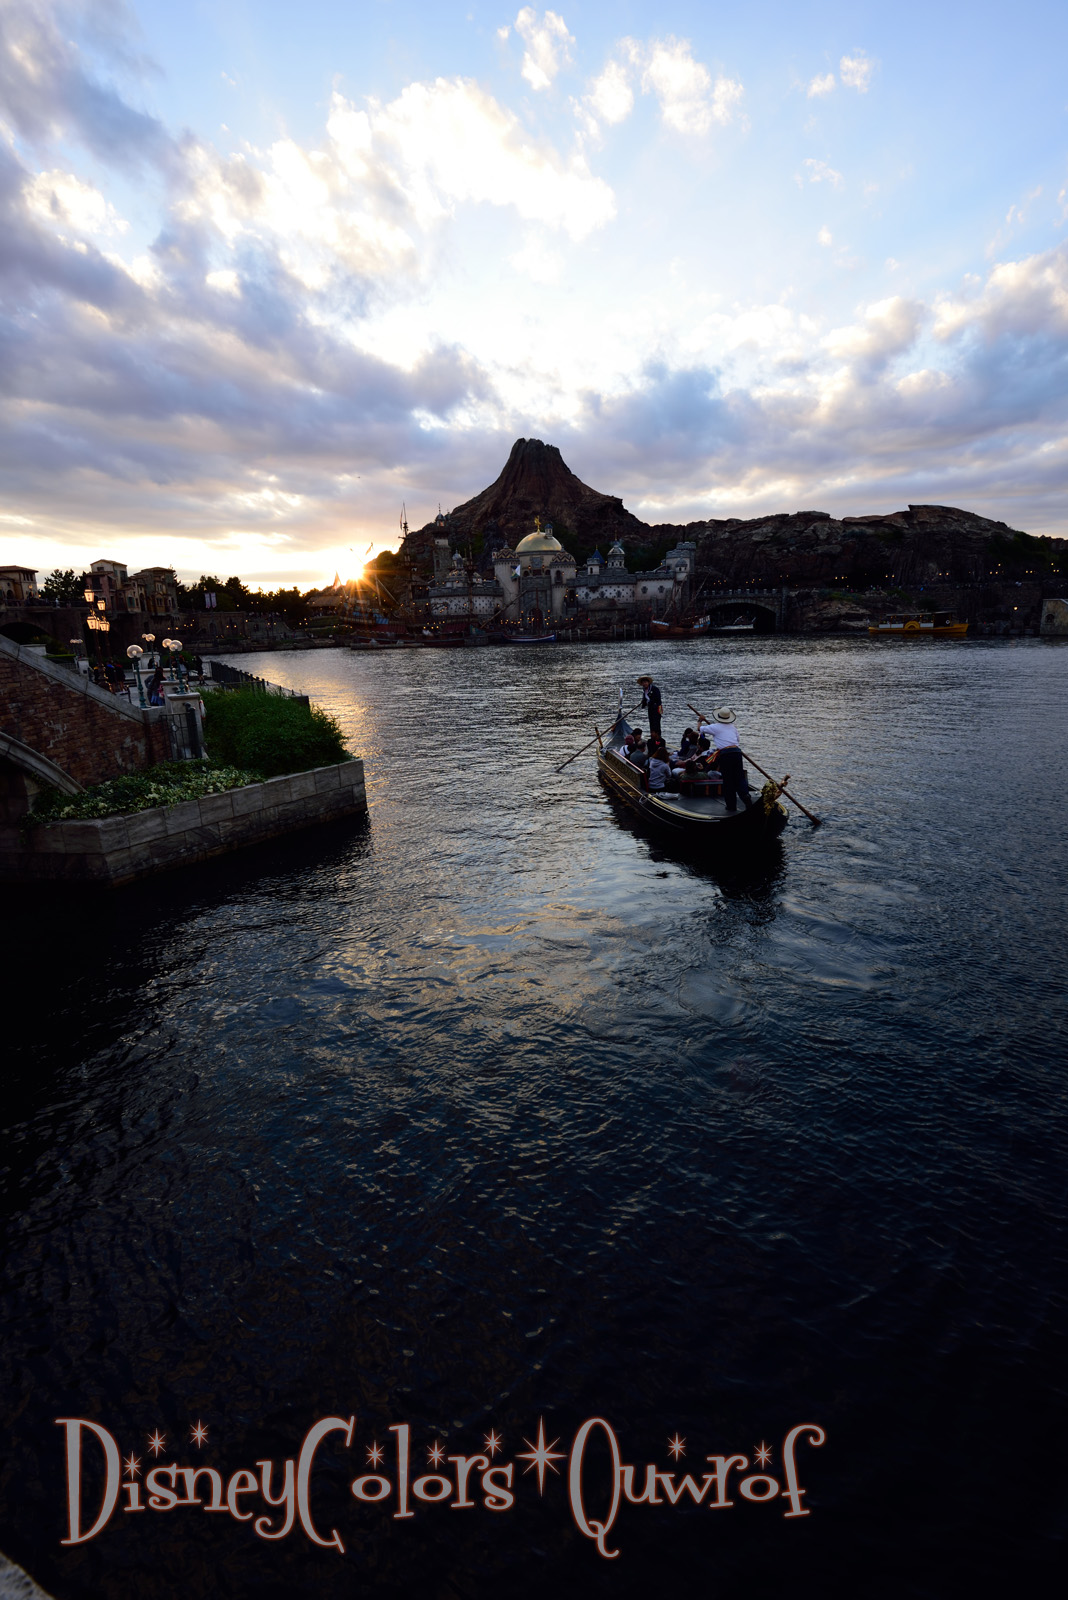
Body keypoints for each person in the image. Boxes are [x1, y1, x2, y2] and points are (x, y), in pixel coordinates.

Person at [703, 707, 752, 811]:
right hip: (737, 752)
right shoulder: (733, 728)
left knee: (728, 780)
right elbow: (737, 740)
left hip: (726, 754)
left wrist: (700, 720)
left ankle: (731, 806)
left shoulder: (715, 727)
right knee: (739, 778)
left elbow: (700, 729)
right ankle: (745, 795)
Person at [636, 676, 663, 741]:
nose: (644, 684)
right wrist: (643, 703)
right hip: (650, 709)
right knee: (651, 724)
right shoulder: (644, 690)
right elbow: (645, 699)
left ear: (648, 682)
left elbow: (657, 699)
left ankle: (658, 740)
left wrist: (651, 703)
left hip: (656, 709)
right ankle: (653, 738)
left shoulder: (654, 689)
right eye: (643, 683)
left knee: (656, 724)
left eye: (645, 682)